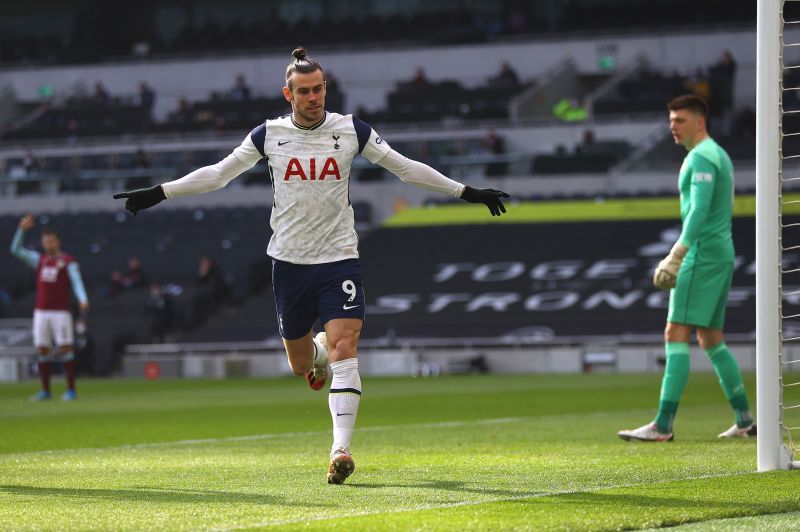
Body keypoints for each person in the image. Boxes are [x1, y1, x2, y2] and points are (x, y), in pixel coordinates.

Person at [113, 47, 509, 484]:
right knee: (302, 364)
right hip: (289, 263)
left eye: (319, 89)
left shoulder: (352, 130)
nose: (313, 97)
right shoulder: (269, 136)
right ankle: (316, 355)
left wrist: (465, 192)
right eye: (304, 91)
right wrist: (160, 192)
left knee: (346, 348)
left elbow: (404, 168)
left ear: (326, 88)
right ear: (288, 94)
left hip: (339, 258)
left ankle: (340, 450)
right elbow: (218, 174)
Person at [618, 95, 755, 443]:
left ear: (699, 122)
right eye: (670, 121)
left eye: (679, 120)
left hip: (702, 254)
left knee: (674, 333)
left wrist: (678, 252)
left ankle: (663, 425)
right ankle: (744, 419)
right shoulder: (718, 154)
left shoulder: (703, 156)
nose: (672, 127)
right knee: (711, 338)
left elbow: (699, 210)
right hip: (721, 252)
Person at [10, 214, 89, 401]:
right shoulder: (39, 260)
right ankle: (45, 391)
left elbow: (76, 282)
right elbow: (15, 250)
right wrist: (21, 230)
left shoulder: (68, 261)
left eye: (51, 241)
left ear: (58, 242)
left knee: (65, 349)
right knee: (43, 350)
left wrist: (83, 299)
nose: (48, 244)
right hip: (41, 312)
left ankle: (71, 390)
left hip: (60, 312)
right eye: (45, 241)